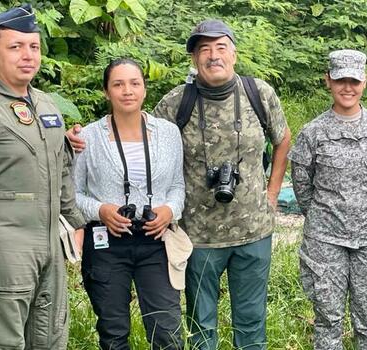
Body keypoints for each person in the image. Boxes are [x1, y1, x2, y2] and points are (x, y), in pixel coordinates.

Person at [68, 19, 291, 350]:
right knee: (199, 325)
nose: (213, 56)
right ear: (194, 59)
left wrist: (272, 194)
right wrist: (74, 138)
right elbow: (132, 136)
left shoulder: (260, 93)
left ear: (234, 52)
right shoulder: (175, 103)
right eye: (204, 50)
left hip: (253, 230)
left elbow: (283, 139)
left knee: (250, 322)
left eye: (220, 47)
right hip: (197, 234)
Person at [0, 4, 86, 349]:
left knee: (50, 338)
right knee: (4, 342)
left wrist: (74, 222)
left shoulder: (47, 105)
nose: (27, 55)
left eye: (33, 46)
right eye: (15, 47)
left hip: (49, 246)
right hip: (3, 247)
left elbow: (60, 166)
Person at [72, 58, 187, 349]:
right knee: (113, 330)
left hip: (156, 240)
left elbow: (177, 186)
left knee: (167, 329)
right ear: (106, 92)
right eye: (118, 84)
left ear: (145, 89)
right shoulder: (87, 137)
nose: (127, 91)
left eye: (135, 83)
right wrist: (101, 210)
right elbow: (72, 194)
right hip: (106, 243)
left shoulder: (168, 133)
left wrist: (169, 210)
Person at [288, 49, 367, 350]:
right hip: (325, 241)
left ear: (365, 81)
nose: (347, 88)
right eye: (340, 80)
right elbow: (302, 185)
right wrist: (324, 219)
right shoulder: (313, 131)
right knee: (327, 320)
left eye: (354, 80)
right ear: (328, 81)